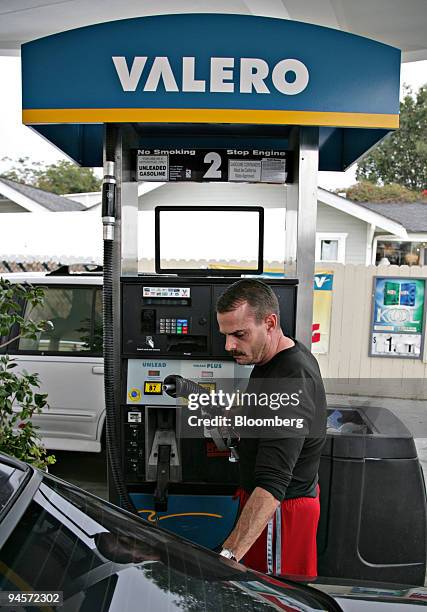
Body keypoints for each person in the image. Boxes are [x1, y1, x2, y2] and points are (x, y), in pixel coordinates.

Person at [215, 278, 327, 580]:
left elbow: (273, 484)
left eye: (239, 334)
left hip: (278, 513)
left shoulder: (291, 378)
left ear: (270, 322)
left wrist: (225, 556)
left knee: (271, 597)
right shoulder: (275, 357)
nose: (229, 345)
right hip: (266, 507)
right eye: (225, 335)